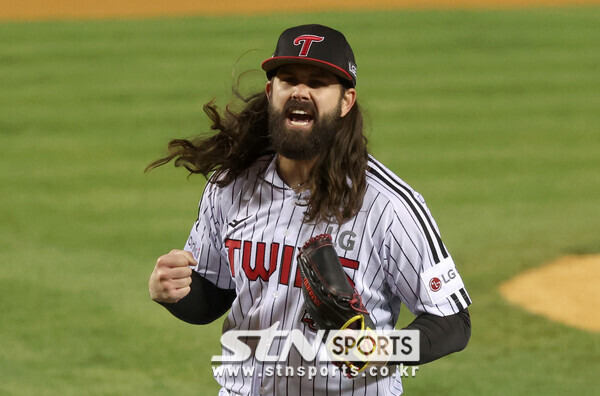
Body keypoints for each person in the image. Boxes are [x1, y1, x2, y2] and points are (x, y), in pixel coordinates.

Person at [148, 24, 471, 395]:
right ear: (272, 92)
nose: (300, 91)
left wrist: (380, 350)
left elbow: (452, 322)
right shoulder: (230, 185)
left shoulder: (387, 205)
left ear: (346, 101)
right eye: (289, 80)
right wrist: (174, 293)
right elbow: (213, 298)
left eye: (317, 82)